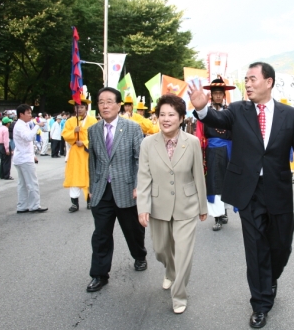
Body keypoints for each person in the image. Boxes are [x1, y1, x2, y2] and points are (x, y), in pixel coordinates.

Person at [189, 61, 294, 329]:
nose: (247, 84)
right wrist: (201, 108)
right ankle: (260, 304)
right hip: (248, 190)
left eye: (252, 79)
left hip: (278, 189)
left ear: (268, 82)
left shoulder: (289, 115)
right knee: (255, 247)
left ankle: (271, 276)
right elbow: (216, 119)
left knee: (281, 245)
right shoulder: (237, 110)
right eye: (245, 79)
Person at [137, 94, 207, 314]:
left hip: (186, 205)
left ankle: (179, 295)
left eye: (171, 115)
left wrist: (203, 207)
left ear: (181, 118)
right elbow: (144, 177)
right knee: (160, 250)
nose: (166, 119)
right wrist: (143, 207)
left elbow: (198, 174)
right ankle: (169, 270)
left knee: (184, 252)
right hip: (158, 205)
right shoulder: (148, 143)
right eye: (162, 114)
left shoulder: (192, 142)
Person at [85, 87, 147, 293]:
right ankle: (99, 274)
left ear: (119, 105)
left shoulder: (132, 128)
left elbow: (140, 159)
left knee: (133, 230)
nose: (105, 106)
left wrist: (139, 185)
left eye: (109, 101)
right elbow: (92, 160)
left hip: (127, 189)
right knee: (101, 234)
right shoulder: (93, 130)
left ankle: (139, 255)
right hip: (102, 190)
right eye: (101, 102)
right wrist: (92, 187)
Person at [197, 77, 235, 231]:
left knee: (227, 181)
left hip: (229, 150)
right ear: (211, 95)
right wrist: (200, 154)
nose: (218, 96)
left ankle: (224, 211)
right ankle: (217, 217)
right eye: (216, 93)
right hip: (212, 151)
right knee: (214, 181)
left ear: (224, 95)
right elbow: (200, 134)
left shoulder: (230, 112)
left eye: (221, 93)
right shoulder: (205, 113)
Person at [62, 96, 98, 212]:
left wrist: (84, 142)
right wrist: (74, 132)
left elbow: (97, 137)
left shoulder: (92, 121)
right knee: (74, 177)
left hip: (87, 153)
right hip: (75, 154)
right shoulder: (70, 121)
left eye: (82, 107)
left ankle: (89, 201)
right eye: (77, 107)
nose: (79, 109)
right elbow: (65, 135)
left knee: (89, 176)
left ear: (86, 108)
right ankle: (74, 203)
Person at [12, 104, 48, 213]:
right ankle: (34, 205)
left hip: (23, 157)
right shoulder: (20, 125)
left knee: (23, 184)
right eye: (28, 113)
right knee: (32, 183)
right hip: (24, 159)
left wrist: (33, 155)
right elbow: (28, 138)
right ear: (21, 114)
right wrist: (37, 126)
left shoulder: (24, 124)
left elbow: (26, 143)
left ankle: (22, 206)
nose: (30, 115)